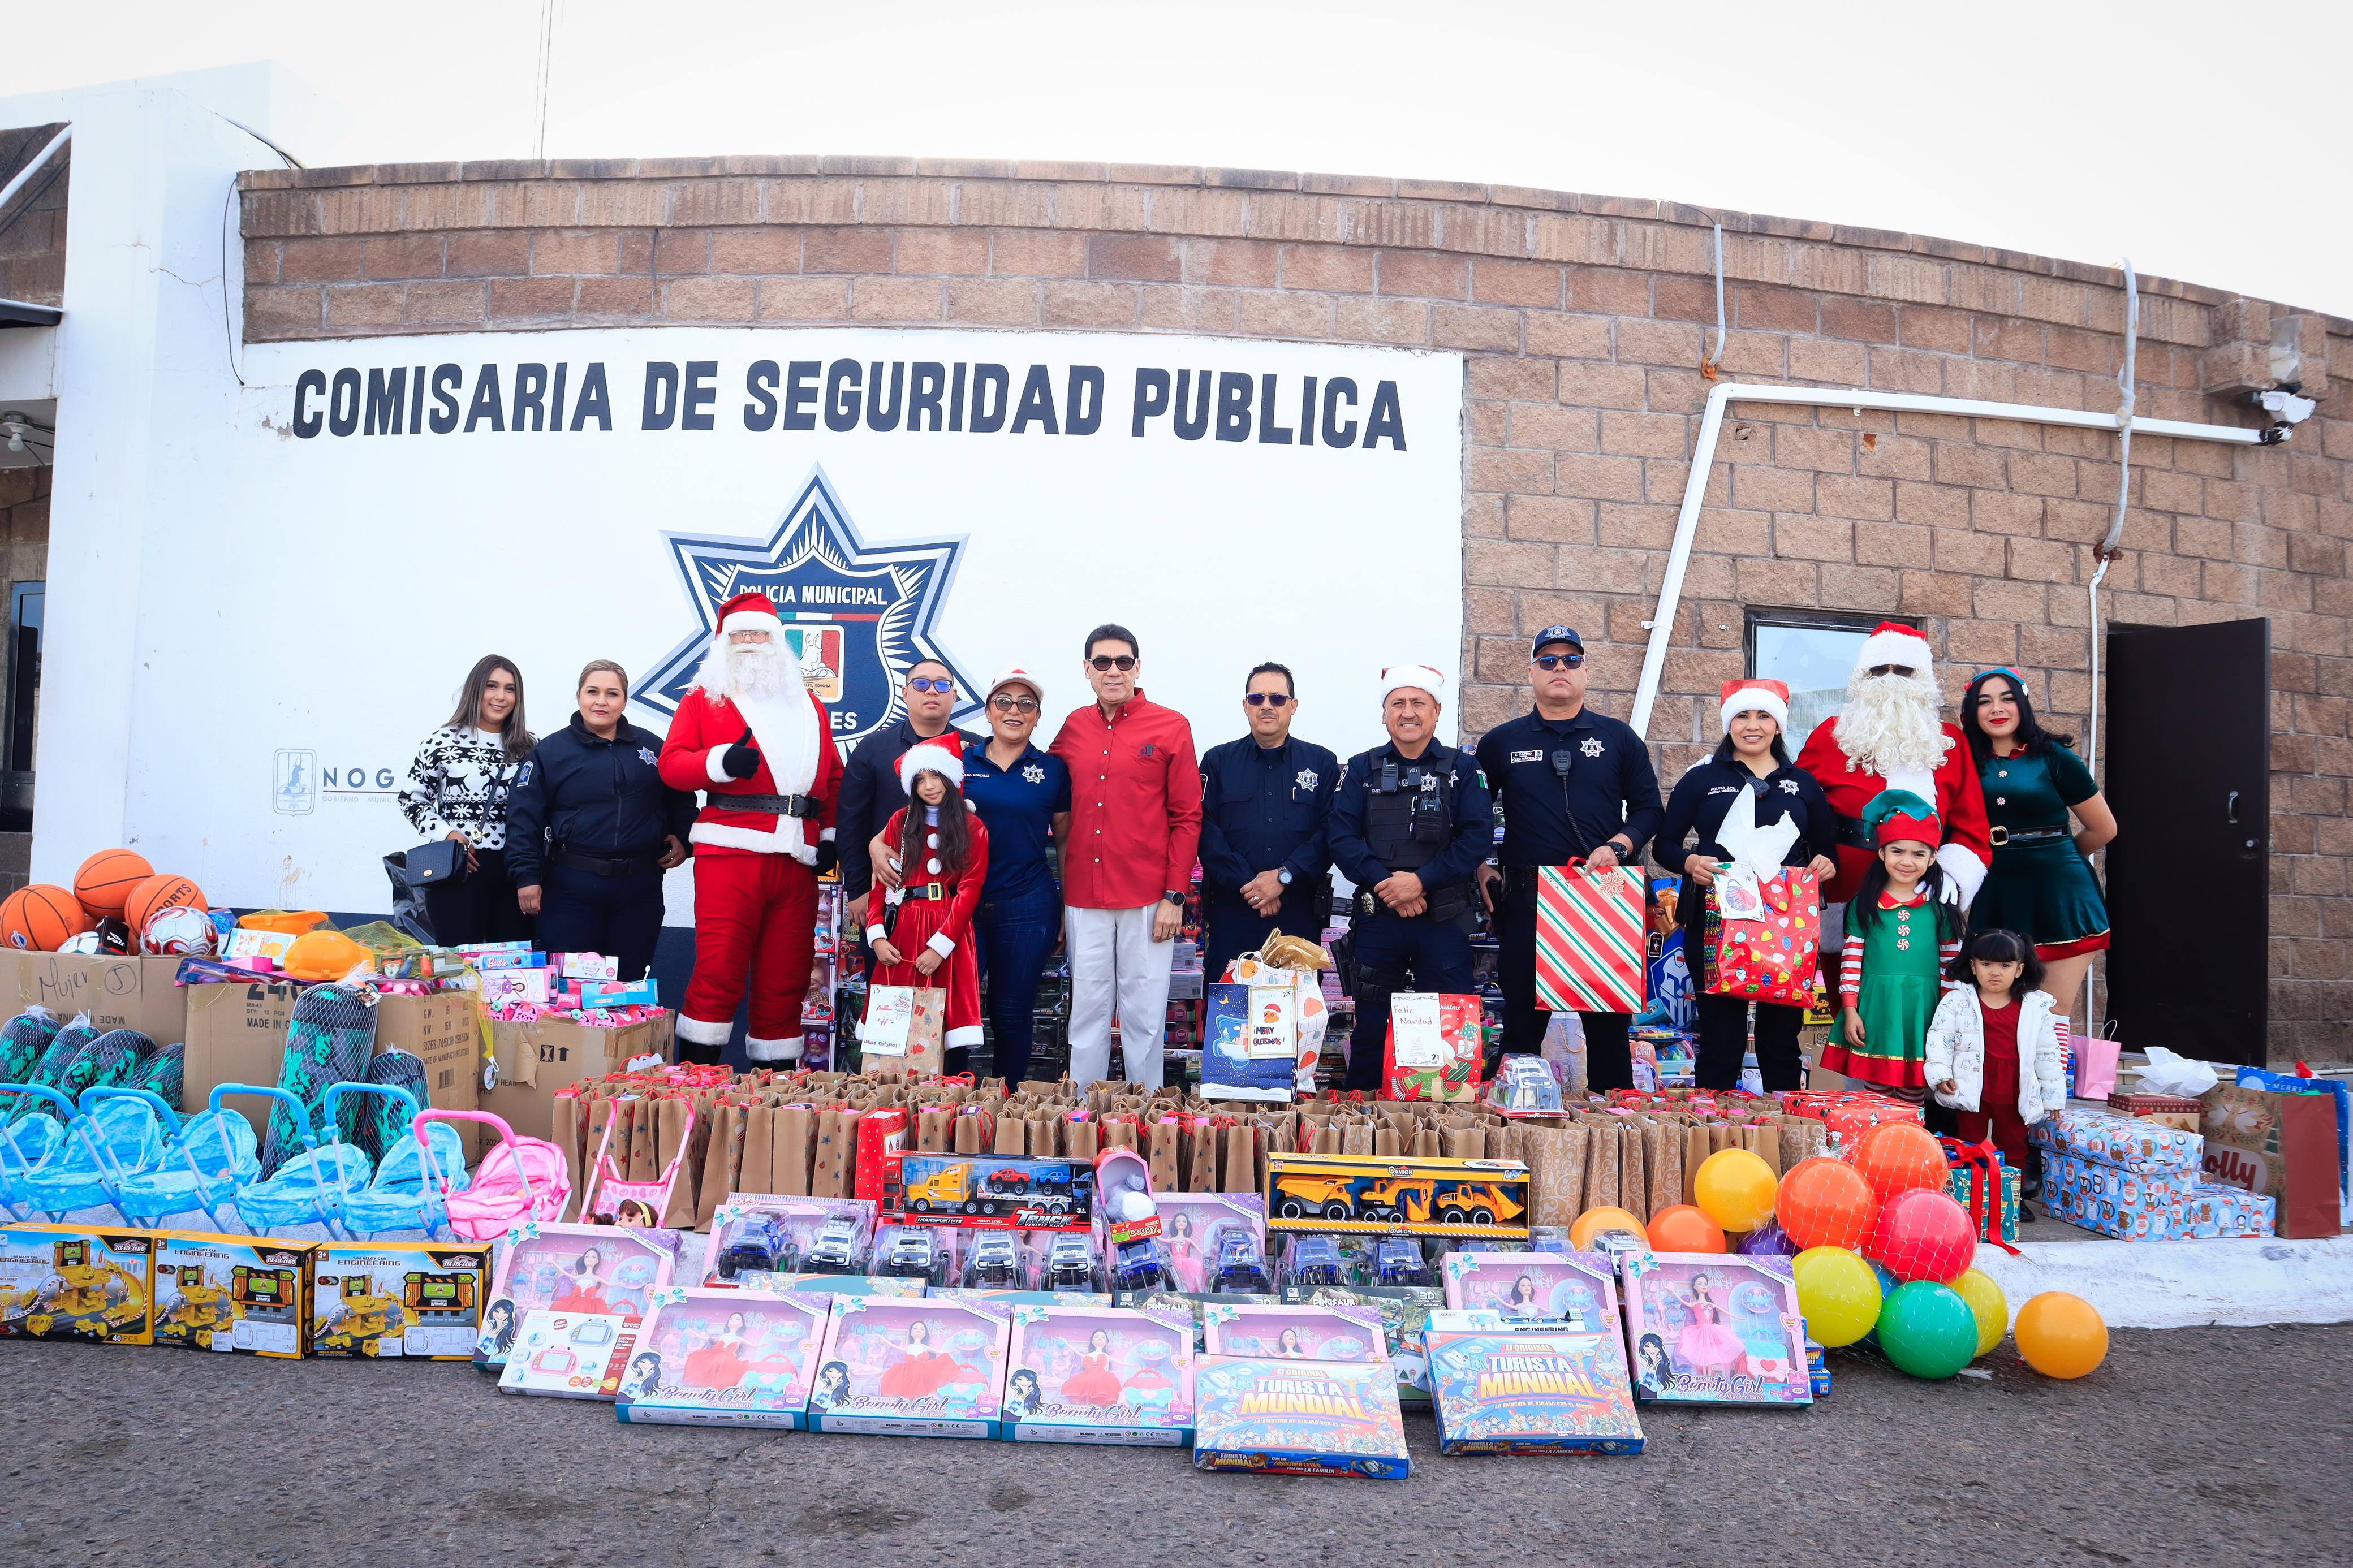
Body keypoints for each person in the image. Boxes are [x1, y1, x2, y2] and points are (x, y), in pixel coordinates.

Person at [1472, 626, 1663, 1091]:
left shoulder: (1618, 738)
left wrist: (1619, 846)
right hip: (1527, 898)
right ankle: (1512, 1127)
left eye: (1571, 660)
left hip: (1600, 897)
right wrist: (1481, 863)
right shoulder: (1500, 743)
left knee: (1606, 1029)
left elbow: (1649, 809)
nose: (1560, 667)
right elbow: (1472, 814)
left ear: (1586, 671)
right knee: (1521, 1024)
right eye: (1549, 660)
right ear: (1531, 672)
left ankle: (1614, 1128)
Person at [656, 590, 842, 1065]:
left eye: (761, 633)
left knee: (787, 978)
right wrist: (720, 762)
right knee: (719, 970)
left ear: (778, 642)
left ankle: (773, 1100)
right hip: (730, 853)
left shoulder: (810, 707)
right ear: (723, 642)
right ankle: (696, 1087)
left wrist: (828, 836)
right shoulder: (703, 700)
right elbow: (672, 766)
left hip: (796, 860)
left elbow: (835, 777)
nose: (751, 642)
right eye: (740, 634)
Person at [1652, 679, 1838, 1091]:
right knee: (1721, 1038)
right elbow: (1664, 843)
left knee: (1780, 1041)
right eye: (1742, 715)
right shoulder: (1702, 779)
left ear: (1778, 725)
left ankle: (1783, 1131)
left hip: (1785, 925)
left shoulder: (1803, 784)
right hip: (1714, 918)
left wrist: (1826, 863)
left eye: (1763, 715)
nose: (1752, 725)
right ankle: (1710, 1137)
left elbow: (1827, 848)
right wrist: (1689, 861)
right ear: (1728, 724)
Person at [1049, 624, 1201, 1090]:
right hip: (1083, 896)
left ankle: (1147, 1117)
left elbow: (1188, 816)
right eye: (1102, 662)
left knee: (1145, 1017)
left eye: (1122, 662)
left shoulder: (1171, 725)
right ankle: (1081, 1117)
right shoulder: (1074, 726)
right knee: (1087, 1015)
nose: (1112, 671)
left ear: (1138, 667)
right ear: (1087, 670)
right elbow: (1047, 795)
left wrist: (1175, 896)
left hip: (1147, 898)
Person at [1329, 664, 1492, 1093]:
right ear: (1384, 714)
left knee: (1450, 1028)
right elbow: (1341, 837)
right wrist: (1389, 884)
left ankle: (1448, 1128)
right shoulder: (1362, 769)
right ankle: (1361, 1119)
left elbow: (1476, 840)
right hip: (1379, 921)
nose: (1408, 712)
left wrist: (1419, 883)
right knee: (1370, 1029)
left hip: (1444, 921)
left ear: (1436, 712)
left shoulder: (1463, 768)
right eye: (1397, 703)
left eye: (1418, 702)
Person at [505, 660, 695, 982]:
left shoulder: (651, 747)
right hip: (570, 889)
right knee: (571, 989)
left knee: (629, 984)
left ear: (624, 700)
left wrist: (683, 836)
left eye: (612, 693)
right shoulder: (549, 753)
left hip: (639, 890)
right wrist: (526, 877)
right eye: (593, 692)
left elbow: (681, 798)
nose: (601, 701)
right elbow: (524, 820)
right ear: (579, 696)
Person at [1959, 668, 2117, 1047]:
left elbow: (2104, 828)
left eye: (2006, 698)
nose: (1996, 708)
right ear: (1971, 712)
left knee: (2051, 1015)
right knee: (1997, 1015)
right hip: (1996, 892)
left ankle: (2051, 1107)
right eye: (1985, 701)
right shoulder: (1963, 761)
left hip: (2060, 897)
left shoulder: (2053, 756)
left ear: (2023, 704)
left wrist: (2057, 858)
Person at [1795, 621, 1992, 909]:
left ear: (1922, 679)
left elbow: (1972, 825)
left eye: (1902, 670)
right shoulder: (1831, 735)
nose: (1889, 679)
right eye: (1878, 671)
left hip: (1924, 887)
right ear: (1862, 679)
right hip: (1843, 887)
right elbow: (1792, 800)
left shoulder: (1949, 741)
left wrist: (1952, 874)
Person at [947, 669, 1069, 1085]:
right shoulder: (958, 762)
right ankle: (950, 1105)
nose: (1014, 710)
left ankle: (1007, 1109)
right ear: (987, 712)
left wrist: (1068, 910)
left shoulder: (1052, 770)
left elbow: (1066, 845)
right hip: (962, 904)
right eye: (1003, 701)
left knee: (1012, 1011)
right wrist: (878, 845)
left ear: (1037, 717)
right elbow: (915, 822)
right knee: (956, 1010)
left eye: (1026, 704)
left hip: (1028, 905)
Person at [1196, 662, 1340, 980]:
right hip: (1233, 911)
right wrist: (1251, 886)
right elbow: (1205, 831)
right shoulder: (1217, 762)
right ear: (1245, 705)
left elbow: (1331, 833)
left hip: (1298, 913)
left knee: (1296, 1016)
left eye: (1277, 699)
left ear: (1293, 706)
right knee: (1230, 1018)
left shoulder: (1322, 763)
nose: (1266, 706)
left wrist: (1283, 878)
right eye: (1257, 698)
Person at [1826, 791, 1964, 1101]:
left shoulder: (1940, 906)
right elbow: (1851, 962)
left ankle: (1913, 1143)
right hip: (1877, 1004)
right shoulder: (1864, 904)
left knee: (1914, 1086)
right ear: (1882, 853)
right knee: (1878, 1084)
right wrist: (1850, 1010)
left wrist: (1947, 1015)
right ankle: (1880, 1141)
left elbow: (1950, 964)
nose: (1907, 861)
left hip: (1923, 1007)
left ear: (1932, 858)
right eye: (1898, 851)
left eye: (1918, 854)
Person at [865, 739, 990, 1068]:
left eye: (935, 776)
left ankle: (950, 1106)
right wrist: (877, 936)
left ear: (950, 777)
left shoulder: (973, 827)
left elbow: (970, 889)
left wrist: (940, 947)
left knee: (950, 1022)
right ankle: (895, 1098)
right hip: (904, 929)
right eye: (919, 779)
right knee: (896, 1023)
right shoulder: (900, 822)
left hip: (948, 931)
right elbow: (882, 884)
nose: (929, 786)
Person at [837, 659, 977, 949]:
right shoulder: (873, 749)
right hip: (888, 898)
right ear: (905, 693)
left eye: (942, 685)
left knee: (951, 990)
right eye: (922, 684)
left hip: (956, 901)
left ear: (954, 696)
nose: (932, 692)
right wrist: (859, 890)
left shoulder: (975, 751)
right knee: (890, 990)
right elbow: (851, 824)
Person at [1928, 927, 2066, 1218]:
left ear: (2019, 970)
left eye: (2005, 966)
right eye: (1987, 964)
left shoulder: (2035, 1007)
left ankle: (2011, 1199)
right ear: (1973, 966)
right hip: (1970, 1086)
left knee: (2013, 1146)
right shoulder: (1957, 1001)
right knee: (1969, 1144)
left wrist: (2052, 1096)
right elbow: (1939, 1039)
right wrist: (1940, 1075)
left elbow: (2048, 1053)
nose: (1995, 973)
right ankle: (1968, 1197)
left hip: (2015, 1089)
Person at [399, 654, 536, 945]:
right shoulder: (442, 741)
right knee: (458, 970)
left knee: (513, 973)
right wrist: (449, 835)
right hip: (459, 870)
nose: (501, 697)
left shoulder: (531, 747)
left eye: (510, 689)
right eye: (492, 686)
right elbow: (411, 799)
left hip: (515, 873)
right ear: (476, 690)